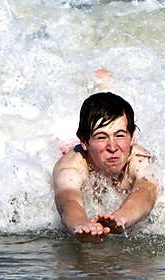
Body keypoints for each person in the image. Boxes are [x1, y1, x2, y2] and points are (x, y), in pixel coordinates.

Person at [53, 91, 158, 243]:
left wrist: (122, 217)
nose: (112, 147)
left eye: (120, 135)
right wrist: (81, 225)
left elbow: (146, 192)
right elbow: (68, 201)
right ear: (84, 141)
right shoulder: (71, 168)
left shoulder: (139, 160)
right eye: (101, 137)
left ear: (132, 137)